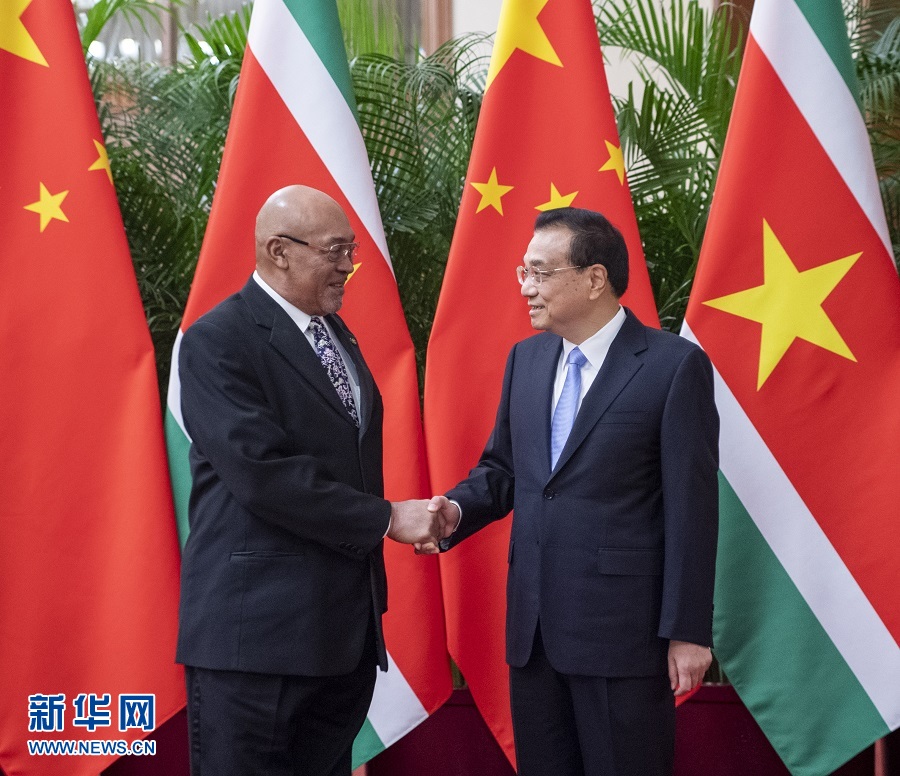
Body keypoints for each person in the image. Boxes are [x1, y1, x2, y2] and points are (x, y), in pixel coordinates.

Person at [424, 207, 719, 776]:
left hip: (624, 637)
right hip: (534, 633)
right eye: (524, 272)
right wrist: (454, 510)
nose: (525, 288)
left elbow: (693, 509)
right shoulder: (526, 359)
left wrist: (687, 632)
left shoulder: (672, 366)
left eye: (539, 272)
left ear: (594, 278)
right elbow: (505, 469)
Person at [176, 185, 444, 776]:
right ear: (279, 251)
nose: (349, 266)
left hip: (339, 638)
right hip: (258, 645)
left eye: (351, 250)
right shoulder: (218, 340)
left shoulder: (336, 334)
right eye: (335, 251)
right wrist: (386, 518)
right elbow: (262, 474)